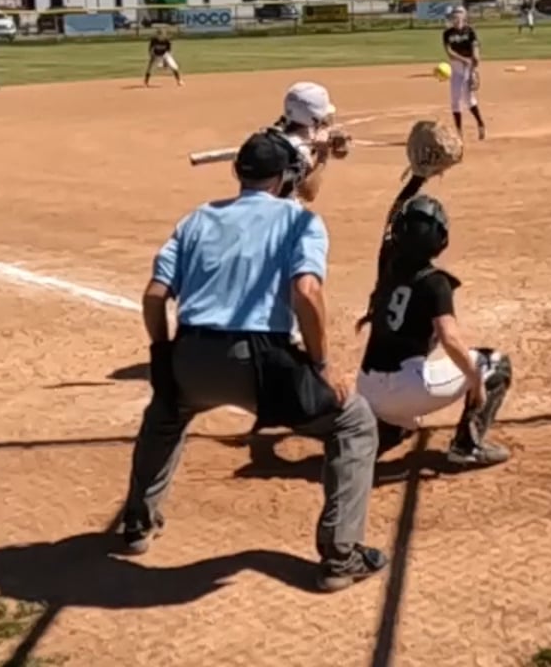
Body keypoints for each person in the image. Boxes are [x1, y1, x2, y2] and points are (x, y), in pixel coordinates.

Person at [117, 131, 385, 591]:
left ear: (237, 172)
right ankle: (341, 557)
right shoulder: (301, 220)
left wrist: (162, 356)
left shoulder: (198, 218)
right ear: (283, 178)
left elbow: (155, 296)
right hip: (262, 364)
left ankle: (137, 525)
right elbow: (307, 293)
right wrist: (321, 365)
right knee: (354, 421)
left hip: (193, 354)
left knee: (166, 413)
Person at [357, 194, 512, 467]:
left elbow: (391, 219)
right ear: (441, 241)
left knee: (405, 403)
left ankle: (390, 428)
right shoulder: (435, 282)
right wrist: (476, 380)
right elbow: (449, 338)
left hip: (367, 389)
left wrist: (415, 182)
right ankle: (467, 446)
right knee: (495, 363)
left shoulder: (388, 265)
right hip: (405, 389)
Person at [271, 81, 350, 206]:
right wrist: (322, 156)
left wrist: (334, 143)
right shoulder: (297, 147)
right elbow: (308, 193)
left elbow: (340, 153)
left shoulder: (281, 130)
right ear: (313, 117)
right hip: (280, 211)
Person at [442, 6, 486, 140]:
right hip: (456, 67)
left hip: (468, 67)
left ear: (464, 16)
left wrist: (474, 65)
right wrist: (463, 60)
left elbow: (475, 49)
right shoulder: (447, 33)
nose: (456, 17)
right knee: (455, 100)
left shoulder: (470, 31)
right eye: (454, 15)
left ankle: (480, 123)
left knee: (469, 100)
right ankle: (459, 132)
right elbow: (449, 52)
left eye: (459, 14)